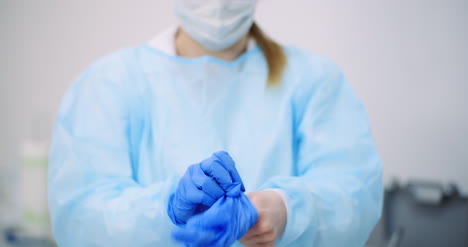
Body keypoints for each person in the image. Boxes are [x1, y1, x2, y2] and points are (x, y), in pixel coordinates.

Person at [48, 0, 383, 246]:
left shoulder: (312, 80)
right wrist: (166, 209)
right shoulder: (110, 83)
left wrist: (287, 210)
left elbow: (354, 193)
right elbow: (79, 217)